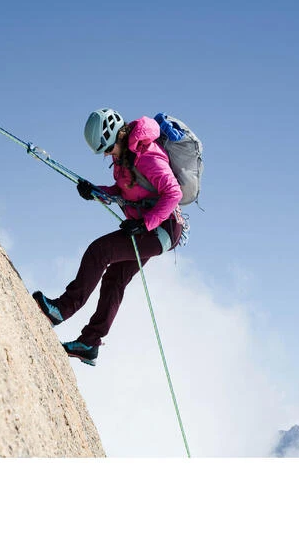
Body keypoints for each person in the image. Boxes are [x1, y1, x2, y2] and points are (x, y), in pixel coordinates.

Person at [32, 108, 186, 366]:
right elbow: (122, 191)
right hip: (150, 227)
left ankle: (61, 310)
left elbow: (173, 194)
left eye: (108, 148)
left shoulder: (147, 156)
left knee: (100, 251)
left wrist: (145, 224)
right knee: (115, 279)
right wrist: (95, 191)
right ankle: (89, 344)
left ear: (119, 135)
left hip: (163, 228)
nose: (107, 154)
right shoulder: (124, 157)